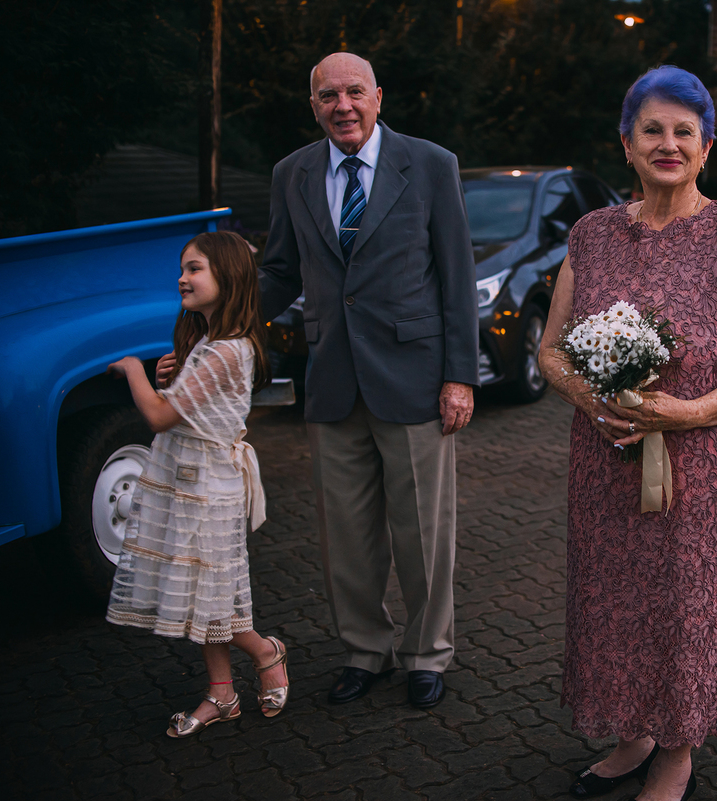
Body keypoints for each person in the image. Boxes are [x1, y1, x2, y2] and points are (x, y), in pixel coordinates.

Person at [538, 66, 717, 801]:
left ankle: (677, 751)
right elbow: (551, 351)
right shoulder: (592, 235)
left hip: (707, 471)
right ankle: (632, 735)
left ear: (707, 147)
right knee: (614, 602)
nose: (668, 144)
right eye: (652, 129)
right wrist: (595, 401)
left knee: (687, 609)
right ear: (626, 143)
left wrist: (681, 413)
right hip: (607, 461)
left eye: (685, 131)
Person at [259, 53, 478, 709]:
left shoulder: (430, 163)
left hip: (414, 379)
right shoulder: (292, 173)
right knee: (347, 540)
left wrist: (459, 377)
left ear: (378, 97)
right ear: (314, 106)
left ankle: (426, 653)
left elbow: (456, 275)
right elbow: (279, 271)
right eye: (329, 96)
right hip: (332, 379)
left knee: (422, 535)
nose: (343, 106)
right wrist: (213, 323)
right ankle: (365, 652)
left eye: (355, 92)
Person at [106, 231, 290, 738]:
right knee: (200, 595)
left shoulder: (225, 351)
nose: (182, 279)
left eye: (194, 269)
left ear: (227, 277)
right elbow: (188, 409)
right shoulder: (207, 345)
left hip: (209, 488)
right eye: (182, 269)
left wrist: (134, 371)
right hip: (187, 481)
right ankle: (222, 694)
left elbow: (159, 417)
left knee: (210, 598)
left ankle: (266, 652)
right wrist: (169, 376)